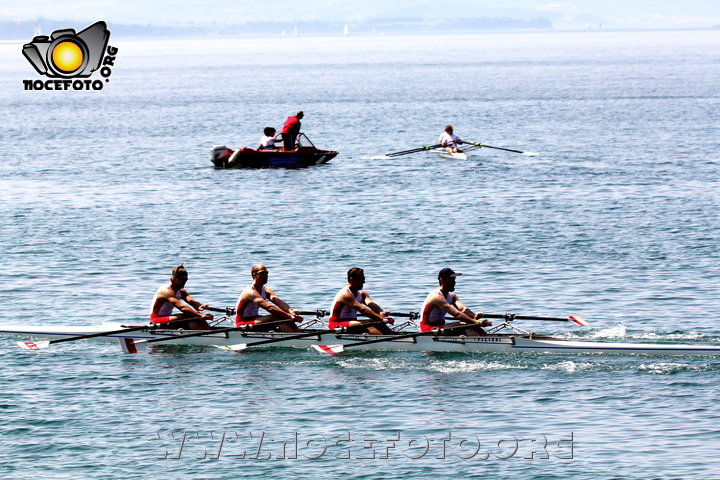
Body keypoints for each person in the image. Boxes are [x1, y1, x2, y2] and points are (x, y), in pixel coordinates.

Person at [420, 268, 492, 335]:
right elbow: (457, 314)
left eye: (454, 279)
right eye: (451, 280)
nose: (454, 283)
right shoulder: (436, 296)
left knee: (473, 325)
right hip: (428, 330)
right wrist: (478, 322)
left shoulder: (452, 296)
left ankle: (487, 342)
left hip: (441, 327)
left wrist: (474, 316)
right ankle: (480, 345)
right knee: (466, 325)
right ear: (442, 280)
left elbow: (463, 310)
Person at [235, 264, 303, 333]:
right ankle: (293, 339)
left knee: (284, 317)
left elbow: (279, 302)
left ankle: (300, 337)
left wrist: (291, 311)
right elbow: (269, 307)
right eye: (263, 273)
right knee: (277, 317)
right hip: (243, 323)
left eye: (267, 272)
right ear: (254, 275)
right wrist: (289, 316)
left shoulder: (266, 290)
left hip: (256, 318)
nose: (266, 275)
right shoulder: (250, 291)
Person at [328, 267, 395, 335]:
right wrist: (382, 319)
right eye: (361, 279)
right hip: (337, 325)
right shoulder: (345, 294)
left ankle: (392, 340)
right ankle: (390, 342)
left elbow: (372, 304)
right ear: (352, 279)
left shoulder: (362, 294)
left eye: (364, 279)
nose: (364, 282)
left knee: (378, 322)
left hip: (351, 323)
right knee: (371, 323)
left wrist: (381, 313)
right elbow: (362, 310)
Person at [150, 264, 214, 330]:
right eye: (181, 279)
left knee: (195, 315)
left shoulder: (181, 291)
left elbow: (192, 302)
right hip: (156, 320)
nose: (184, 282)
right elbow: (182, 307)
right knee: (189, 316)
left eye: (186, 279)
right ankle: (204, 336)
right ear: (173, 279)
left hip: (168, 318)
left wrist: (201, 306)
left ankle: (210, 333)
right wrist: (200, 315)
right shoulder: (165, 291)